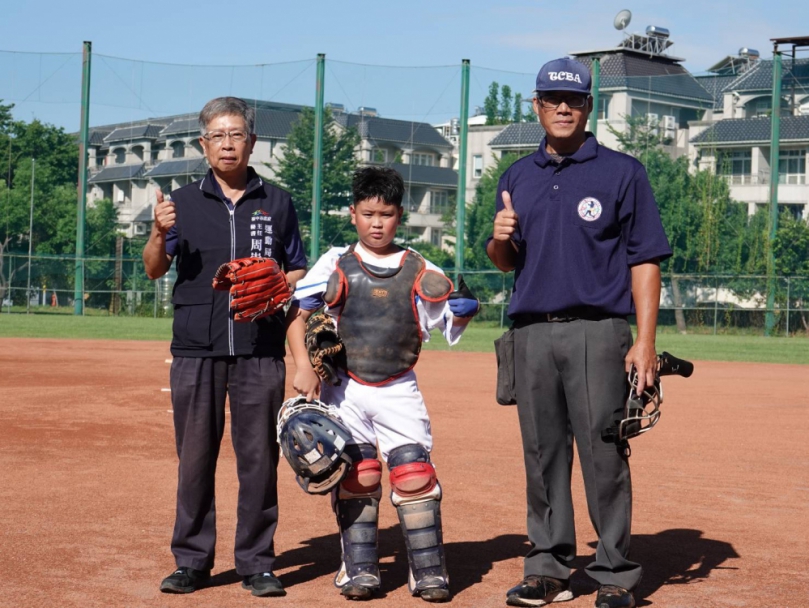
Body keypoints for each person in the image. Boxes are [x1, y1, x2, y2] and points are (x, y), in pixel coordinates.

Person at [486, 59, 672, 608]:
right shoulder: (517, 176)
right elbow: (504, 262)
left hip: (599, 331)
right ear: (537, 106)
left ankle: (615, 573)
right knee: (542, 454)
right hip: (532, 333)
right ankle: (547, 566)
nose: (563, 107)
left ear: (588, 107)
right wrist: (499, 239)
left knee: (603, 452)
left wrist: (644, 341)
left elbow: (646, 260)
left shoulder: (621, 172)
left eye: (574, 100)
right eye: (551, 98)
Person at [286, 167, 480, 602]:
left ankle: (428, 570)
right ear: (352, 213)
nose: (377, 222)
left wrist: (463, 311)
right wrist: (302, 366)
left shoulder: (420, 268)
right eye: (368, 213)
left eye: (387, 214)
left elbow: (442, 321)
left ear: (400, 216)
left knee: (413, 473)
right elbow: (299, 319)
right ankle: (359, 568)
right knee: (359, 473)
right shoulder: (334, 263)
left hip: (398, 387)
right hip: (344, 388)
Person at [142, 96, 307, 598]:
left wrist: (281, 278)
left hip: (260, 346)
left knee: (259, 458)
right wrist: (156, 232)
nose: (228, 143)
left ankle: (256, 561)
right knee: (194, 459)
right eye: (218, 135)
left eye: (237, 134)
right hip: (196, 348)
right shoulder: (181, 203)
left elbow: (299, 267)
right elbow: (154, 267)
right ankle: (192, 561)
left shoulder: (276, 201)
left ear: (253, 142)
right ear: (203, 144)